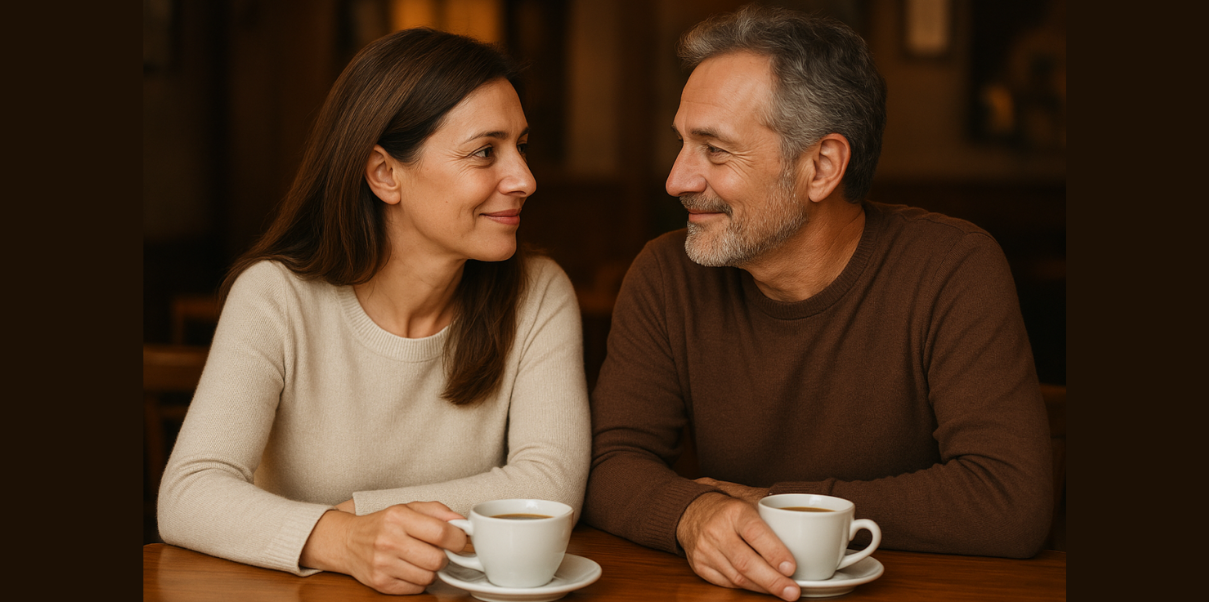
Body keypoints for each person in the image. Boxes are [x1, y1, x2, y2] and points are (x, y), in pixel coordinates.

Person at [582, 6, 1053, 601]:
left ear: (822, 167)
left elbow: (1009, 497)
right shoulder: (665, 275)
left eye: (715, 150)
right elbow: (606, 465)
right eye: (681, 143)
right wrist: (694, 513)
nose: (677, 179)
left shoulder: (952, 268)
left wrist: (777, 505)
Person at [157, 28, 591, 595]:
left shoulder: (538, 291)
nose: (524, 180)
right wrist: (342, 540)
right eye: (485, 151)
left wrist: (356, 514)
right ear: (385, 174)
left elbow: (550, 485)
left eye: (522, 146)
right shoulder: (275, 296)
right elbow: (189, 493)